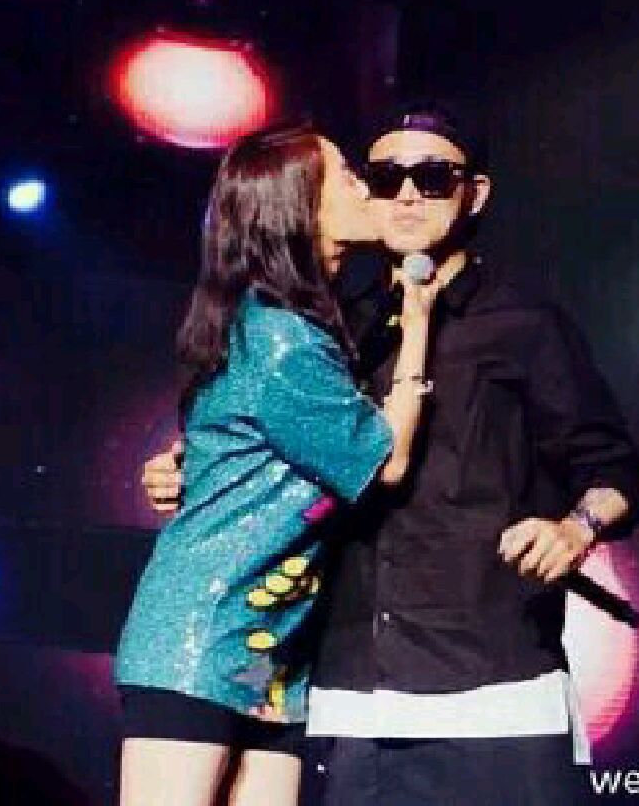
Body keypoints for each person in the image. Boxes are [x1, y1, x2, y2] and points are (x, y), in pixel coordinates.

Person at [143, 103, 639, 806]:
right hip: (350, 694)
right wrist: (195, 464)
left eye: (433, 177)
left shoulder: (525, 324)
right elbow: (274, 429)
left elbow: (616, 470)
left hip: (495, 691)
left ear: (475, 194)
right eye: (385, 178)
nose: (407, 194)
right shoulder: (334, 328)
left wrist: (576, 527)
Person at [115, 123, 440, 806]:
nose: (365, 187)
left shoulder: (292, 326)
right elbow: (384, 462)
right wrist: (416, 333)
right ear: (300, 206)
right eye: (346, 175)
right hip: (200, 638)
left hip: (271, 655)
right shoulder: (281, 338)